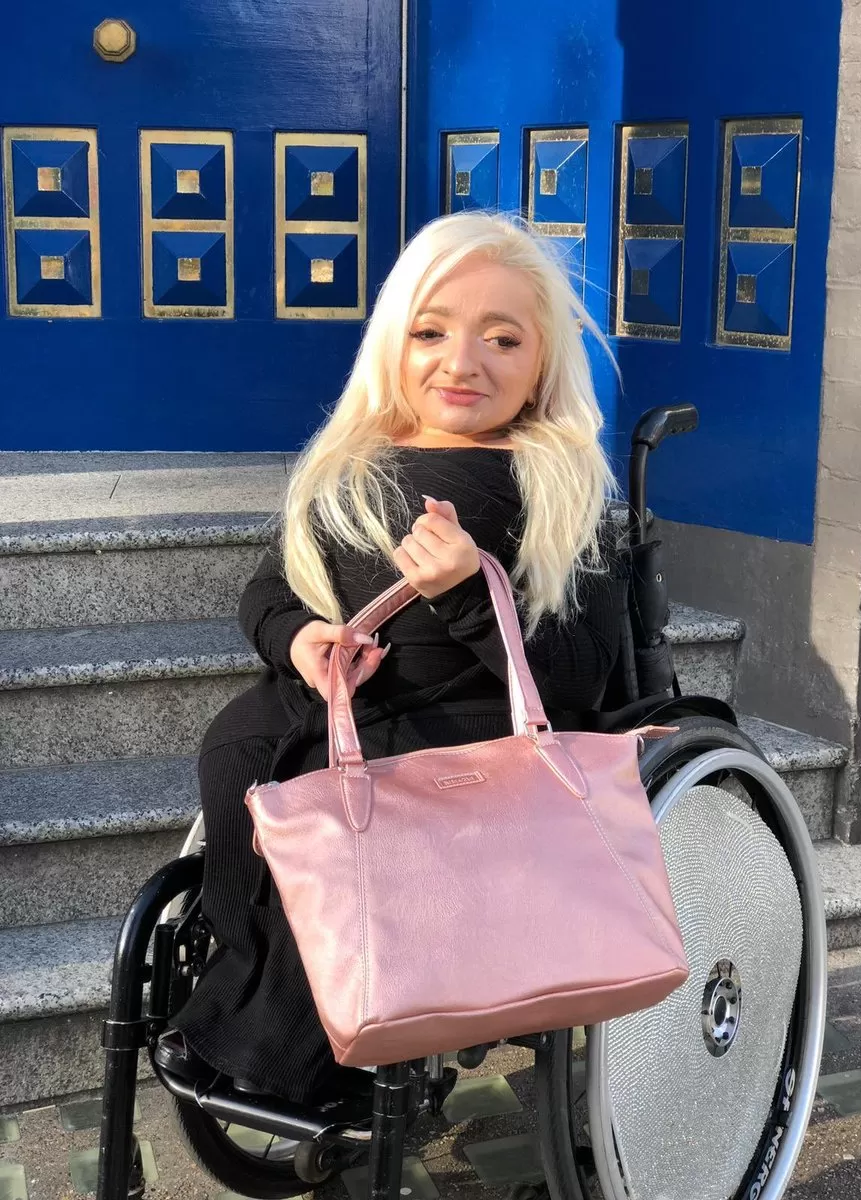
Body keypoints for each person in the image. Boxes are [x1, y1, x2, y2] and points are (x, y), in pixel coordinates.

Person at [157, 210, 622, 1109]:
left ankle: (286, 1046)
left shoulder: (556, 482)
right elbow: (268, 591)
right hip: (340, 708)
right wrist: (300, 640)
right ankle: (247, 977)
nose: (463, 361)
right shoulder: (354, 468)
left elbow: (577, 674)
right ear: (391, 345)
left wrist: (463, 592)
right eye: (432, 332)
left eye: (502, 338)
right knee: (245, 745)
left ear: (542, 362)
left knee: (359, 818)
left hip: (472, 728)